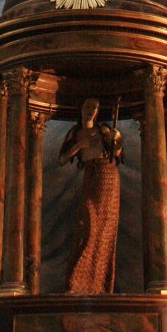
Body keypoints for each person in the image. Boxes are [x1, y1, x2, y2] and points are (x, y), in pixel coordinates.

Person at [59, 98, 123, 294]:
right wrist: (80, 145)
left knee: (103, 230)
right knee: (86, 226)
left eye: (94, 108)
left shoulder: (103, 130)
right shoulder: (75, 132)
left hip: (108, 176)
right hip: (90, 175)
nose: (90, 111)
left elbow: (117, 154)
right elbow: (62, 159)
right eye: (87, 107)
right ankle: (77, 281)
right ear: (81, 108)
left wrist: (116, 140)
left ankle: (99, 285)